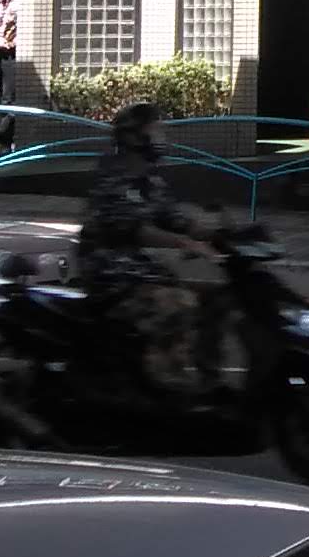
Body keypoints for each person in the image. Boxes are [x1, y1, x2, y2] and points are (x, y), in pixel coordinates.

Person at [79, 101, 218, 396]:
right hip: (108, 271)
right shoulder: (114, 174)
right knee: (178, 303)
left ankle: (209, 379)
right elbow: (134, 228)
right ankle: (162, 380)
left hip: (136, 268)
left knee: (215, 298)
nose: (161, 137)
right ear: (134, 136)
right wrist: (185, 243)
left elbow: (174, 218)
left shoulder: (149, 177)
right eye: (154, 130)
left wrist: (222, 233)